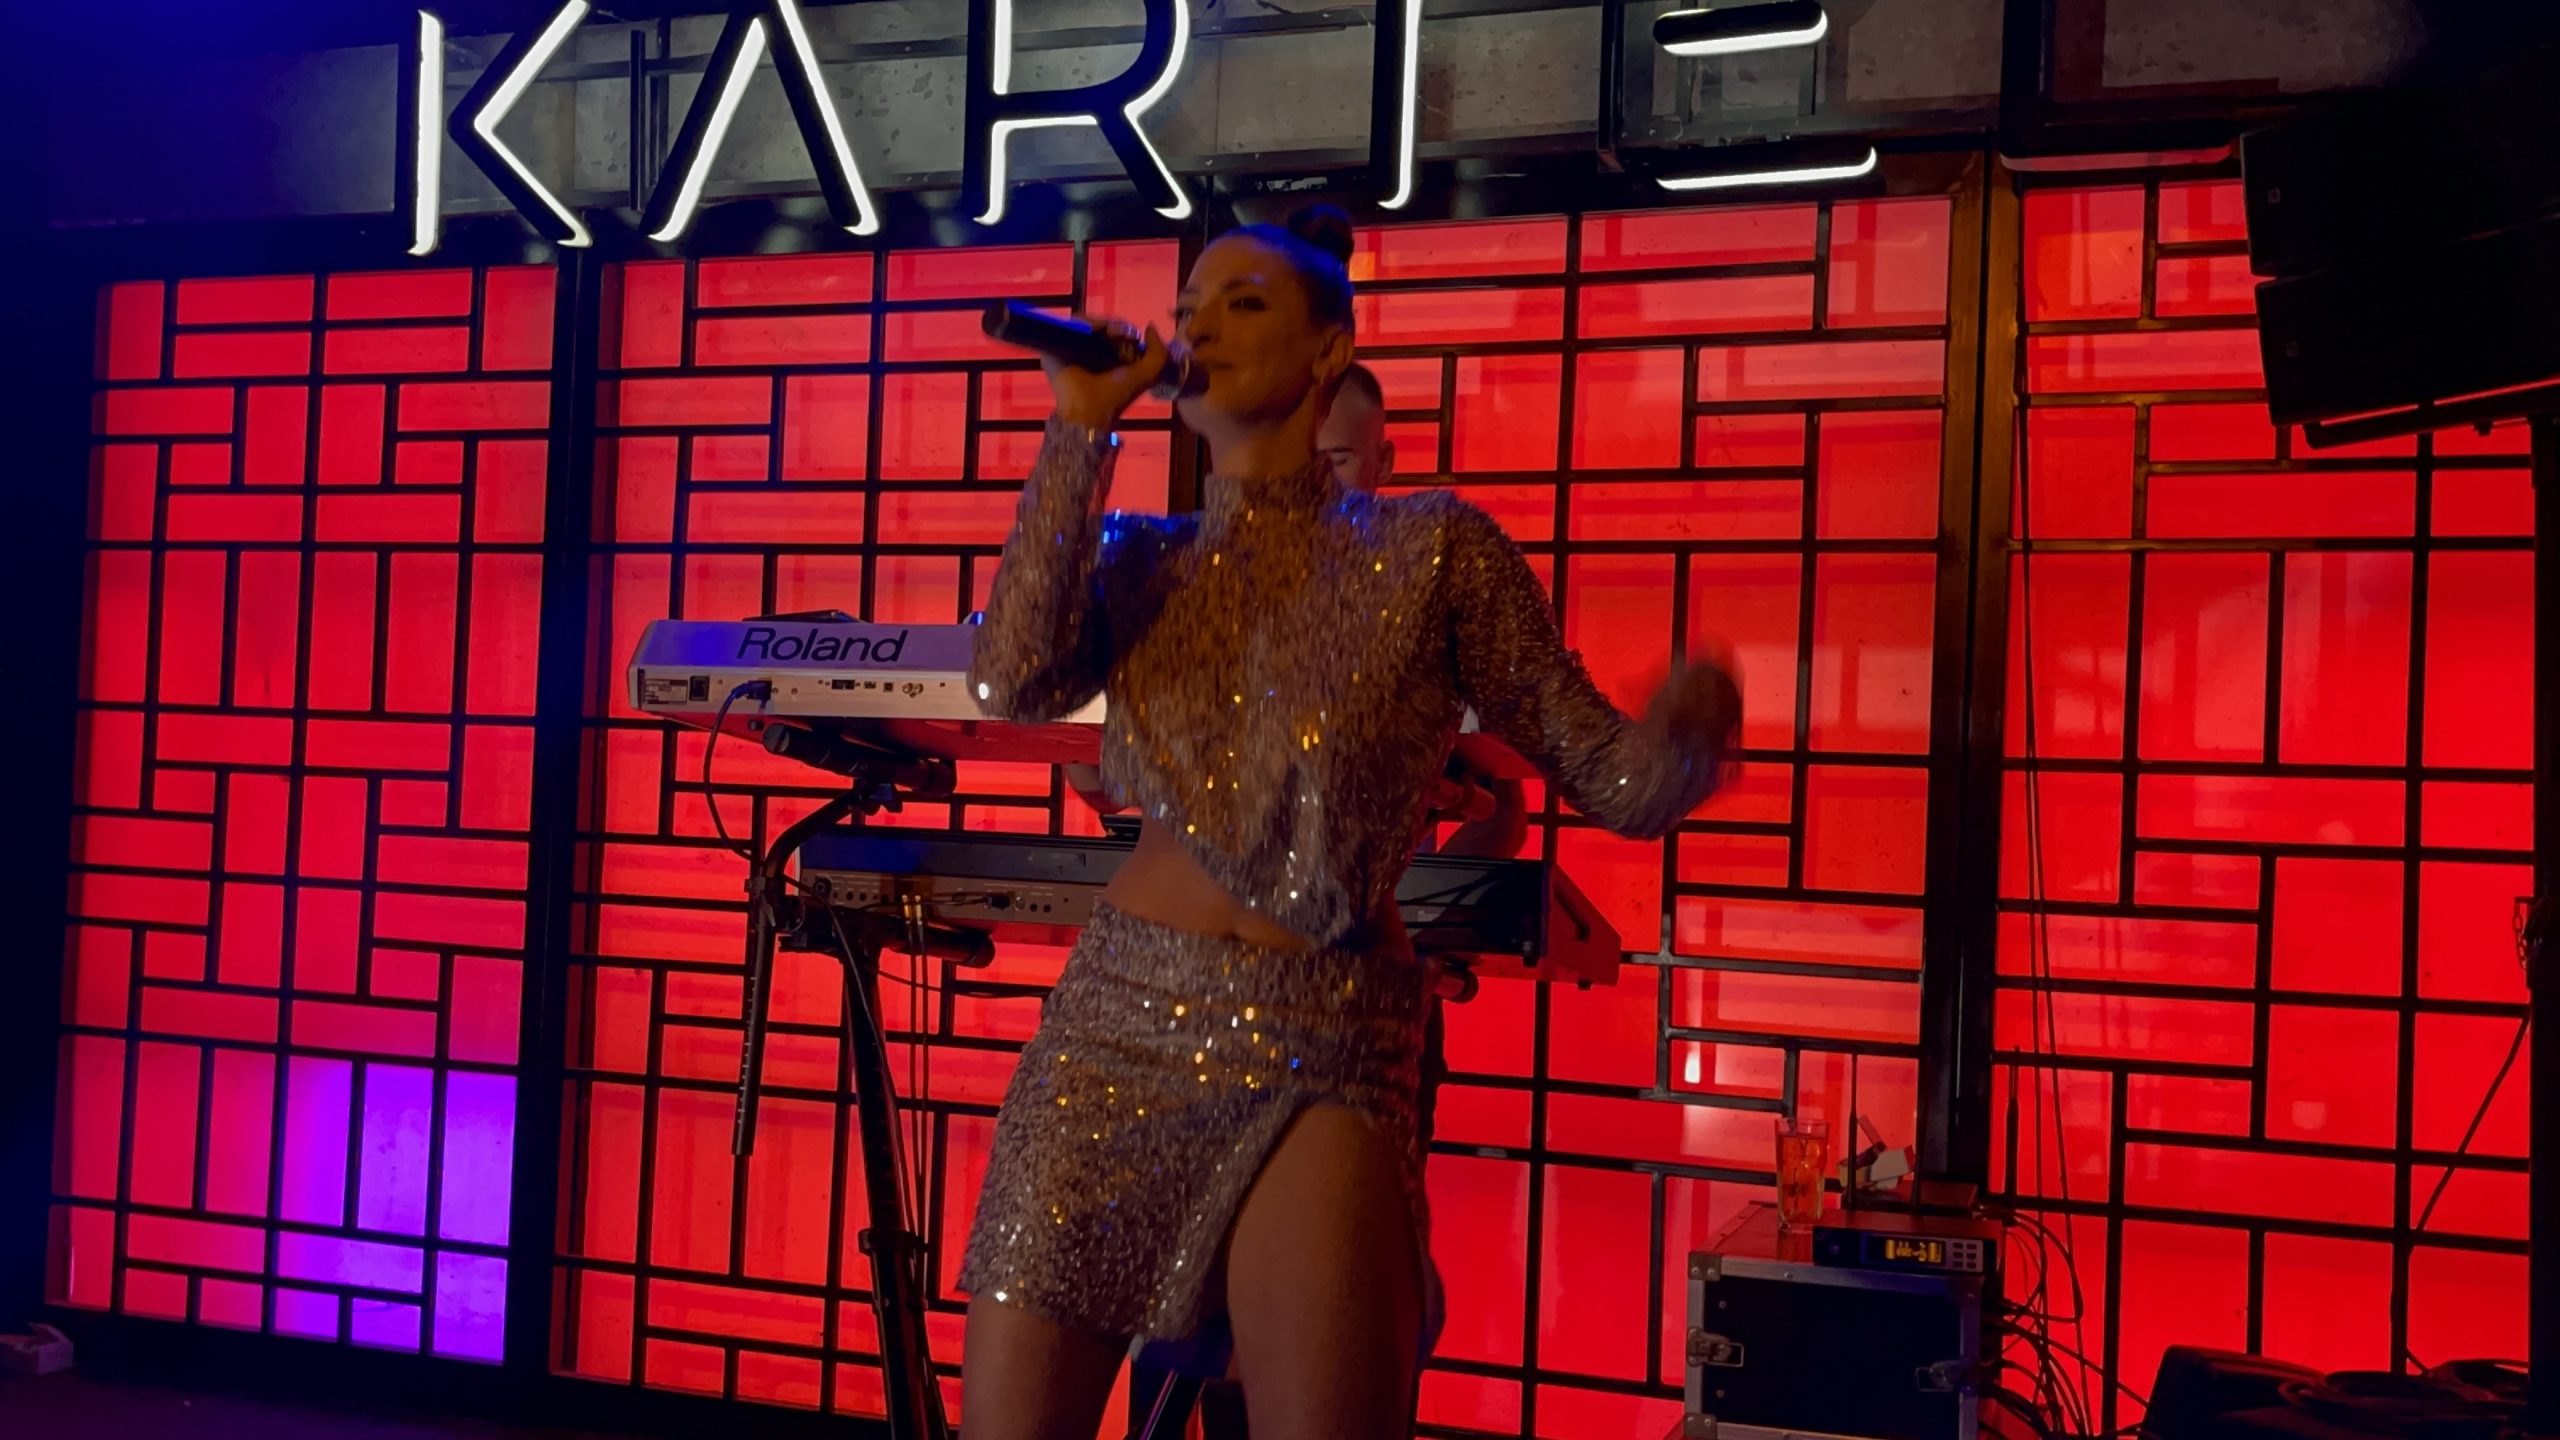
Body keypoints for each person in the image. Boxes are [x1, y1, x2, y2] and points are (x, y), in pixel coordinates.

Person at [959, 204, 1741, 1440]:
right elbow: (1008, 682)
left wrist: (1688, 739)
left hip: (1323, 1038)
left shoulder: (1435, 552)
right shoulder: (1138, 559)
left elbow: (1614, 782)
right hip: (1113, 1029)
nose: (1203, 327)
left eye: (1246, 303)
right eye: (1190, 309)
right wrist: (1079, 426)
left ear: (1331, 350)